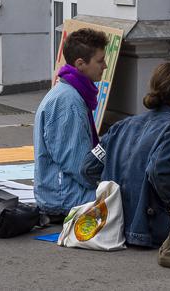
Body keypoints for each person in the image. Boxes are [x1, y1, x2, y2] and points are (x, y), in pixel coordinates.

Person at [83, 61, 170, 247]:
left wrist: (111, 191)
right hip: (149, 227)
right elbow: (159, 171)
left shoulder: (122, 126)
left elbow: (88, 167)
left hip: (112, 223)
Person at [33, 27, 107, 220]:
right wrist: (106, 182)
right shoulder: (68, 101)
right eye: (100, 61)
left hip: (62, 192)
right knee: (127, 196)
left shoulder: (70, 92)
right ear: (80, 64)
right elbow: (78, 165)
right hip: (64, 197)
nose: (105, 66)